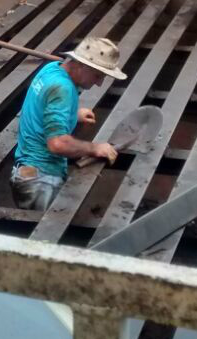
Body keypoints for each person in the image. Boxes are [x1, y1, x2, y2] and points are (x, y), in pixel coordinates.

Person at [11, 36, 127, 213]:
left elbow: (44, 103)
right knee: (41, 236)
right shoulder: (62, 89)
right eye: (97, 75)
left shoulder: (52, 69)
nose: (99, 82)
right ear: (81, 65)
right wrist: (95, 148)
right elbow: (57, 144)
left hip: (27, 170)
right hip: (40, 180)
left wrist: (72, 115)